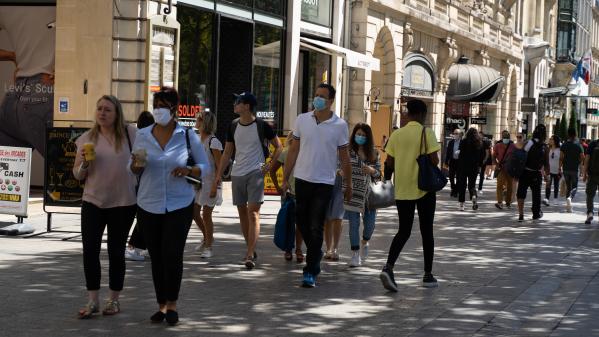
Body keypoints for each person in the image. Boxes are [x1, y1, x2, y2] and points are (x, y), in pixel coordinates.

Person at [130, 87, 211, 326]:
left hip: (179, 203)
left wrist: (189, 169)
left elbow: (205, 167)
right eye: (156, 105)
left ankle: (173, 305)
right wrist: (135, 165)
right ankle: (161, 306)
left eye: (164, 106)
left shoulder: (186, 135)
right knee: (156, 256)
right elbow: (133, 167)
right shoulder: (142, 134)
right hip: (148, 203)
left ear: (174, 109)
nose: (159, 110)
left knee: (172, 254)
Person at [281, 83, 352, 288]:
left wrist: (348, 184)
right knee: (301, 220)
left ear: (331, 101)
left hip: (325, 182)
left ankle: (311, 270)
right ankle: (316, 250)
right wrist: (286, 177)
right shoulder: (302, 120)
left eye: (322, 96)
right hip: (302, 179)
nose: (317, 99)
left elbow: (345, 158)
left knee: (315, 225)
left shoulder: (340, 125)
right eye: (316, 95)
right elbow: (293, 150)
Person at [73, 95, 138, 318]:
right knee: (90, 251)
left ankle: (113, 300)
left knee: (116, 252)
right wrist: (84, 164)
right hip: (93, 202)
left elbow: (141, 164)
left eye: (107, 110)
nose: (102, 113)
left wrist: (140, 165)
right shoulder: (86, 139)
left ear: (117, 113)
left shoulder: (131, 134)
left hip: (123, 202)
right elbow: (77, 175)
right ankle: (93, 301)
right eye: (99, 109)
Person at [215, 92, 282, 270]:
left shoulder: (262, 126)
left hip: (255, 173)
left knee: (253, 213)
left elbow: (279, 147)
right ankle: (250, 247)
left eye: (238, 102)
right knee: (242, 214)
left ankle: (250, 253)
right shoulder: (233, 125)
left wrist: (270, 165)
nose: (235, 105)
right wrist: (217, 177)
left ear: (247, 106)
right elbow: (227, 152)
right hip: (237, 173)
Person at [380, 99, 440, 292]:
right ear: (422, 114)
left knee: (403, 230)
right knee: (426, 231)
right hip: (424, 189)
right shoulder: (427, 132)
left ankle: (388, 267)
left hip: (403, 189)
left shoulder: (396, 134)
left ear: (408, 114)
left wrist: (387, 182)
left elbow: (388, 162)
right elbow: (434, 160)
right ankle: (428, 274)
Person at [0, 7, 55, 156]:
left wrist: (12, 56)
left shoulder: (6, 7)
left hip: (13, 101)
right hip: (44, 94)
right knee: (69, 171)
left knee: (6, 174)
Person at [343, 123, 381, 267]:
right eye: (358, 134)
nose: (360, 137)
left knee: (370, 225)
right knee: (353, 225)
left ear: (368, 137)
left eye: (364, 135)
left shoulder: (374, 153)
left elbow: (379, 174)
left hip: (369, 194)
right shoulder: (347, 151)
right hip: (352, 191)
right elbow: (340, 166)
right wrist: (341, 172)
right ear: (354, 135)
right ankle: (355, 254)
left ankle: (365, 241)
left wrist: (372, 170)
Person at [125, 110, 155, 262]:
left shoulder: (135, 135)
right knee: (144, 216)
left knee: (146, 216)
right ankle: (133, 246)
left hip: (136, 181)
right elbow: (140, 163)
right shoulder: (145, 138)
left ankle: (146, 246)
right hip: (144, 182)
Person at [193, 110, 223, 258]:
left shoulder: (214, 141)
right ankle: (207, 238)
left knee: (206, 214)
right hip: (199, 182)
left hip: (211, 182)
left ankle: (209, 246)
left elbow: (220, 166)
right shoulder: (198, 139)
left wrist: (215, 186)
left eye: (199, 118)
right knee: (194, 212)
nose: (196, 120)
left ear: (204, 122)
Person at [270, 132, 304, 263]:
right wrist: (278, 187)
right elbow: (272, 170)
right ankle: (290, 249)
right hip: (289, 194)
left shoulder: (306, 153)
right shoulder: (286, 152)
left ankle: (297, 249)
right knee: (289, 223)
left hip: (302, 193)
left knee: (300, 223)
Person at [516, 124, 548, 222]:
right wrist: (547, 175)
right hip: (537, 173)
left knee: (521, 193)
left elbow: (521, 155)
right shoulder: (545, 146)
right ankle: (536, 213)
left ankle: (521, 214)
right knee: (536, 195)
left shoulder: (529, 142)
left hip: (525, 172)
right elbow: (546, 163)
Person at [456, 128, 484, 211]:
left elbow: (460, 154)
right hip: (474, 167)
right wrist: (479, 165)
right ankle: (474, 197)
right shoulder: (479, 143)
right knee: (472, 185)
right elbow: (481, 156)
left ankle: (462, 204)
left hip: (464, 166)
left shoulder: (464, 141)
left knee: (462, 185)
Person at [560, 128, 584, 213]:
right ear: (575, 135)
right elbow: (582, 158)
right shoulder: (578, 145)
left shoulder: (564, 145)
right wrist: (580, 167)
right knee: (574, 187)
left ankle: (568, 206)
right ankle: (570, 199)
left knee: (568, 187)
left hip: (566, 169)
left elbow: (561, 158)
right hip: (574, 169)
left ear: (568, 134)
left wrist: (560, 168)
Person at [324, 171, 344, 262]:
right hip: (326, 180)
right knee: (328, 218)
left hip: (342, 183)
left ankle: (335, 248)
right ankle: (328, 249)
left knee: (338, 217)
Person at [493, 130, 515, 209]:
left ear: (509, 138)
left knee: (509, 186)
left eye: (507, 137)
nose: (506, 139)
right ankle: (500, 202)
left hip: (510, 169)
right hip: (501, 168)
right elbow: (493, 156)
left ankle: (508, 202)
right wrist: (496, 164)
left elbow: (516, 157)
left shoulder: (513, 146)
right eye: (504, 137)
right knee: (499, 185)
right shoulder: (498, 145)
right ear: (502, 138)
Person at [584, 138, 599, 224]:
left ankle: (590, 213)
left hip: (592, 174)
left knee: (590, 195)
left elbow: (587, 159)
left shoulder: (593, 144)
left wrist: (584, 173)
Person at [543, 135, 561, 206]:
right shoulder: (547, 149)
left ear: (555, 141)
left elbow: (561, 160)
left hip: (557, 170)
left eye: (551, 139)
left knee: (556, 185)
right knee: (548, 185)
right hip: (548, 170)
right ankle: (547, 199)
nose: (550, 140)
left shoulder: (559, 149)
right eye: (550, 139)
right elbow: (545, 160)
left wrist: (560, 168)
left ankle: (555, 199)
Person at [444, 129, 462, 198]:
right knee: (451, 176)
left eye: (457, 133)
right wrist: (446, 162)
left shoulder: (462, 142)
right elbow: (448, 152)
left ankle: (455, 191)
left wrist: (460, 151)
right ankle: (453, 188)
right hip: (452, 161)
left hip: (459, 162)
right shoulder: (451, 142)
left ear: (460, 134)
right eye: (454, 133)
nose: (455, 135)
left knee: (458, 177)